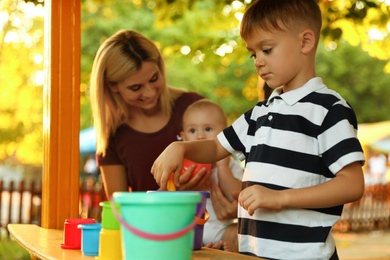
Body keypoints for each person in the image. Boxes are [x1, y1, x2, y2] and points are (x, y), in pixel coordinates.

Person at [151, 0, 366, 259]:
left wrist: (279, 198)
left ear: (305, 42)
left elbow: (352, 184)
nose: (258, 62)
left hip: (305, 255)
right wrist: (180, 147)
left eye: (266, 49)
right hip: (252, 252)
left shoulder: (329, 109)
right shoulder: (261, 112)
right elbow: (217, 146)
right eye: (254, 54)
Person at [89, 29, 207, 197]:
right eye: (136, 87)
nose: (150, 93)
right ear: (112, 85)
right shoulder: (113, 135)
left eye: (154, 79)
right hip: (147, 223)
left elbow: (224, 159)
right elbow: (119, 207)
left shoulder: (193, 106)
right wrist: (168, 194)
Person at [179, 99, 242, 251]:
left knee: (244, 232)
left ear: (225, 134)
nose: (200, 136)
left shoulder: (231, 164)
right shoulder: (181, 166)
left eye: (208, 129)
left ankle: (225, 247)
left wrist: (223, 169)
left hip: (223, 229)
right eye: (192, 131)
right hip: (190, 229)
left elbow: (239, 194)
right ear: (183, 137)